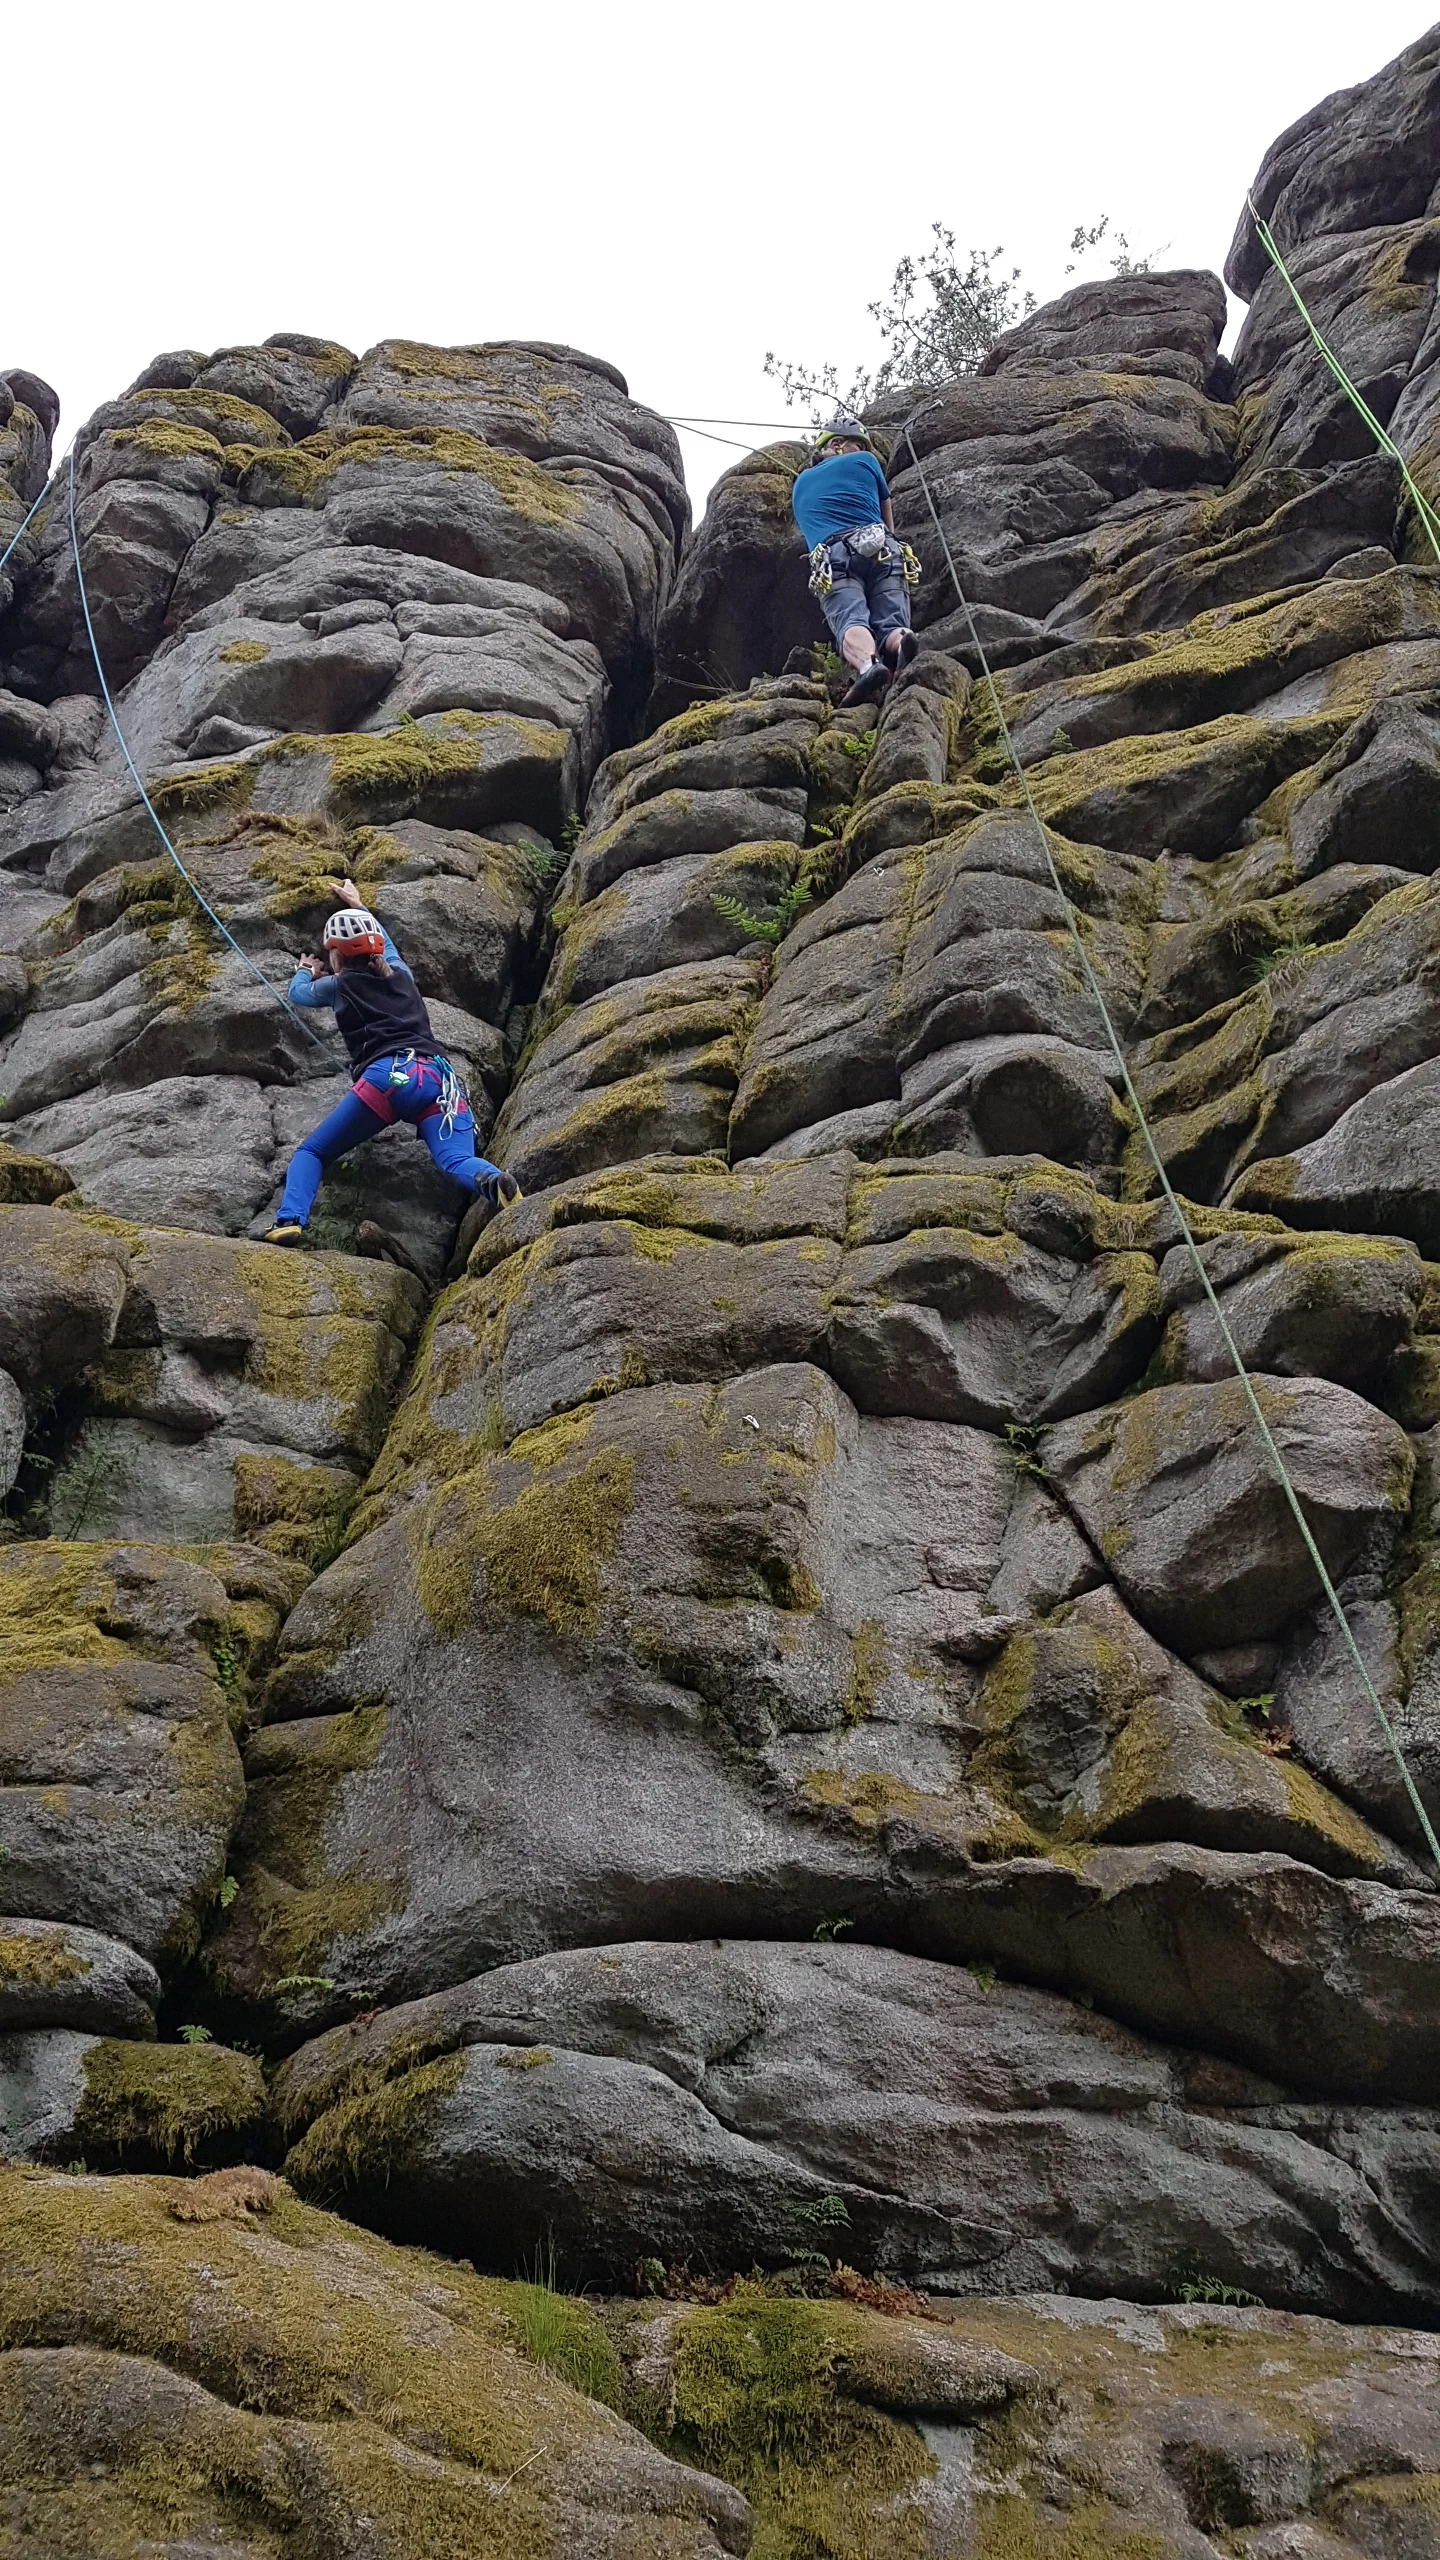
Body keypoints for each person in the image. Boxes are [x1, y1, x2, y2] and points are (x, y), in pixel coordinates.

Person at [264, 879, 520, 1246]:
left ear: (335, 956)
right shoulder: (402, 975)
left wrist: (307, 968)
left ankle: (290, 1221)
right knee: (453, 1159)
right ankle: (495, 1182)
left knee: (313, 1151)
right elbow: (389, 945)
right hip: (440, 1080)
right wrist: (360, 905)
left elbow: (298, 994)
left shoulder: (338, 985)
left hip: (389, 1077)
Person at [791, 416, 920, 706]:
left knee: (851, 618)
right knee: (892, 619)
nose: (863, 450)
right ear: (836, 444)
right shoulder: (867, 462)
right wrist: (890, 543)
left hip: (834, 554)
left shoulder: (800, 484)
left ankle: (867, 665)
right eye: (857, 444)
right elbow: (886, 511)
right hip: (883, 547)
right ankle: (902, 641)